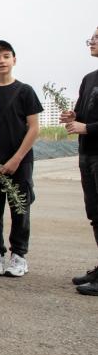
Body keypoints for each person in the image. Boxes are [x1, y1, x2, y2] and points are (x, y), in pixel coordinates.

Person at [0, 40, 42, 278]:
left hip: (20, 162)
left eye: (6, 56)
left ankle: (19, 256)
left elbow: (34, 128)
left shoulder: (25, 91)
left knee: (20, 208)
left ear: (14, 60)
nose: (1, 61)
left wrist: (17, 159)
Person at [62, 27, 98, 296]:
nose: (92, 42)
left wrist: (87, 128)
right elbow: (82, 114)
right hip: (87, 154)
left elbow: (87, 125)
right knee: (95, 213)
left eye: (96, 38)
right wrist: (72, 117)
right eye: (92, 38)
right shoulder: (89, 79)